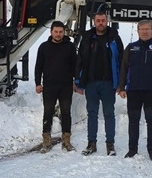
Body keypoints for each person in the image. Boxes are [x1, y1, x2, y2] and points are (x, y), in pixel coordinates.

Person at [117, 19, 152, 160]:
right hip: (133, 90)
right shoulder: (131, 47)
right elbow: (124, 68)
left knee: (151, 121)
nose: (145, 32)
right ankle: (132, 149)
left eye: (147, 29)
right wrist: (122, 87)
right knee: (133, 121)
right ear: (138, 31)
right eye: (142, 29)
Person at [75, 11, 124, 156]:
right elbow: (80, 61)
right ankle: (91, 144)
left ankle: (110, 144)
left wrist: (121, 83)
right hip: (91, 83)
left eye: (103, 20)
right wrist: (78, 81)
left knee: (109, 113)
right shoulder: (87, 38)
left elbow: (121, 60)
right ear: (94, 22)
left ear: (107, 21)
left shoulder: (114, 38)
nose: (101, 23)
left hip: (109, 83)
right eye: (98, 20)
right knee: (92, 114)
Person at [35, 21, 77, 153]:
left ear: (64, 32)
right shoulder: (44, 47)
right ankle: (46, 142)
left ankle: (66, 142)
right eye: (56, 32)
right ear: (51, 32)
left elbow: (75, 66)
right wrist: (37, 83)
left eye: (60, 32)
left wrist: (76, 81)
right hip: (49, 86)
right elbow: (38, 66)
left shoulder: (70, 47)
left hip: (66, 87)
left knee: (66, 113)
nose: (58, 34)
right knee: (47, 113)